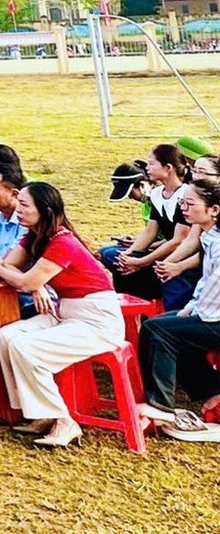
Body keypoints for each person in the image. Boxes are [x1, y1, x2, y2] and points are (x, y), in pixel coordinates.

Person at [0, 181, 125, 448]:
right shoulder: (35, 235)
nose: (19, 208)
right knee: (6, 335)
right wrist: (32, 281)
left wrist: (9, 271)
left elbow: (17, 276)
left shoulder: (63, 242)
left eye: (25, 204)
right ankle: (40, 412)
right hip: (65, 311)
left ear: (45, 210)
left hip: (95, 319)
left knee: (25, 346)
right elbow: (13, 267)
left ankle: (65, 420)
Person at [136, 178, 220, 440]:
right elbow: (206, 283)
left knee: (161, 330)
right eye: (183, 202)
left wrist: (195, 313)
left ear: (214, 210)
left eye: (190, 203)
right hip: (210, 311)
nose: (183, 207)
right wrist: (190, 309)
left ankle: (160, 406)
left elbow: (215, 294)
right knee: (162, 326)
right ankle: (212, 390)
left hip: (215, 317)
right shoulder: (211, 235)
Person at [105, 144, 196, 305]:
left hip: (181, 257)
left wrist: (142, 262)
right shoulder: (156, 195)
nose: (147, 168)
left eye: (152, 164)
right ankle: (134, 312)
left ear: (168, 168)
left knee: (169, 277)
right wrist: (129, 254)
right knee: (114, 258)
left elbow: (178, 240)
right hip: (163, 253)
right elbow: (150, 231)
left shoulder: (185, 196)